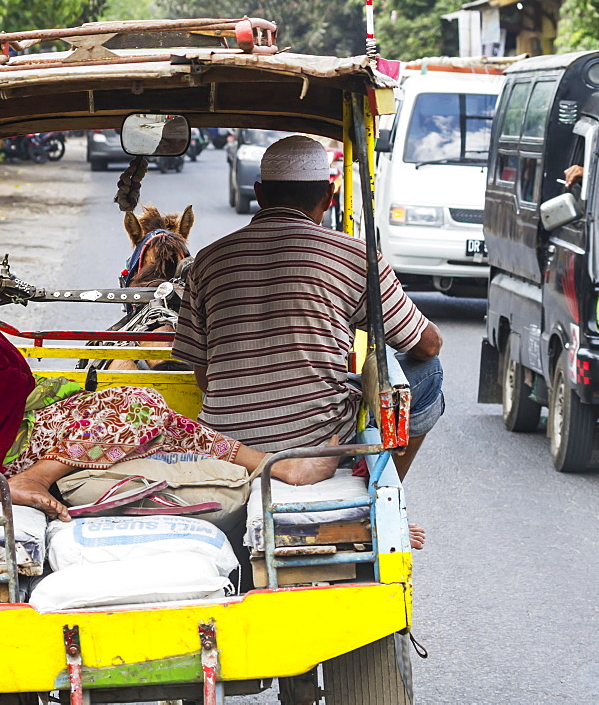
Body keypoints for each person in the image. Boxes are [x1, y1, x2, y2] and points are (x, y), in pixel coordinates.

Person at [0, 171, 338, 521]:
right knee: (140, 406)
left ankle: (273, 466)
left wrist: (48, 393)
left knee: (135, 406)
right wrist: (42, 397)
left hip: (3, 428)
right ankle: (35, 479)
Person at [172, 136, 443, 547]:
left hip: (226, 447)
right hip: (316, 447)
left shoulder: (208, 259)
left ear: (259, 194)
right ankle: (387, 497)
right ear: (329, 194)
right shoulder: (355, 256)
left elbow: (205, 378)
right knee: (426, 374)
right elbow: (427, 347)